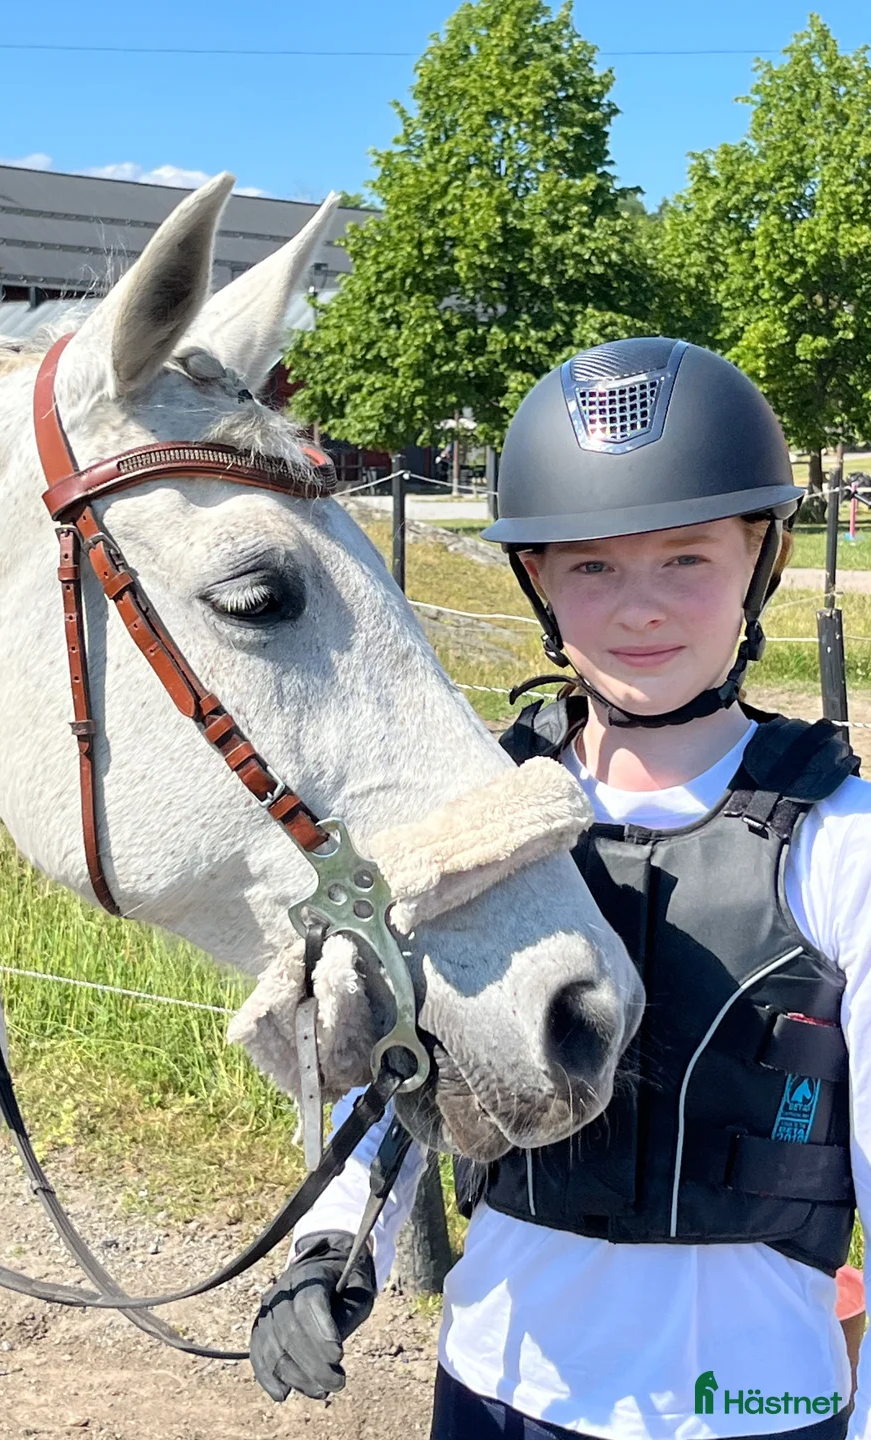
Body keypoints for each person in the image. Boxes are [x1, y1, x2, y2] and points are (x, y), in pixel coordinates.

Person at [248, 337, 871, 1440]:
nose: (640, 609)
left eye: (687, 558)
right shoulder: (478, 821)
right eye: (592, 568)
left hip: (750, 1402)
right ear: (536, 579)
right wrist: (329, 1248)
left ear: (762, 558)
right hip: (500, 1384)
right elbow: (397, 1080)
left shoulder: (840, 839)